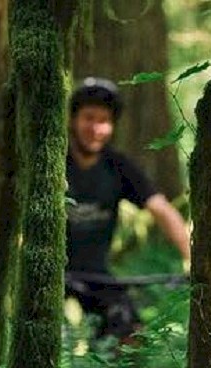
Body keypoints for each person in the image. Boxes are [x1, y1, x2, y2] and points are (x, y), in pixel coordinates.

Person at [65, 77, 191, 341]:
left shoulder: (118, 167)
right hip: (50, 275)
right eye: (89, 118)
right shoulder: (54, 161)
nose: (96, 128)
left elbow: (161, 209)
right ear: (73, 120)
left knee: (130, 331)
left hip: (97, 277)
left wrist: (192, 258)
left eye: (104, 121)